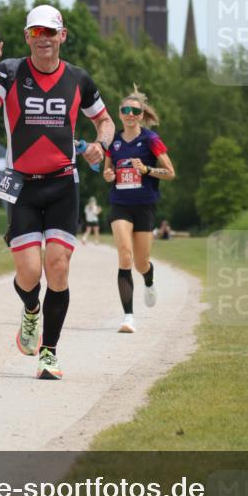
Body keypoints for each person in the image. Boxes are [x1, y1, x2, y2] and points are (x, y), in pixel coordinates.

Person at [0, 3, 114, 379]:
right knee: (30, 273)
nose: (43, 39)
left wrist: (101, 142)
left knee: (58, 267)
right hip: (20, 183)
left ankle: (49, 353)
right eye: (36, 32)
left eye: (50, 32)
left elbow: (106, 120)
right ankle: (31, 309)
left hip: (63, 182)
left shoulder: (79, 79)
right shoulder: (10, 71)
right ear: (26, 37)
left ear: (62, 36)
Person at [103, 86, 175, 333]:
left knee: (141, 263)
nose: (130, 114)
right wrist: (108, 173)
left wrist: (147, 170)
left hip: (144, 205)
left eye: (135, 110)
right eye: (126, 110)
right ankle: (129, 317)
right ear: (120, 114)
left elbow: (170, 172)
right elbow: (107, 171)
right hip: (120, 204)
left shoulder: (151, 140)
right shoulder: (114, 141)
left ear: (142, 115)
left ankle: (149, 279)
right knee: (125, 256)